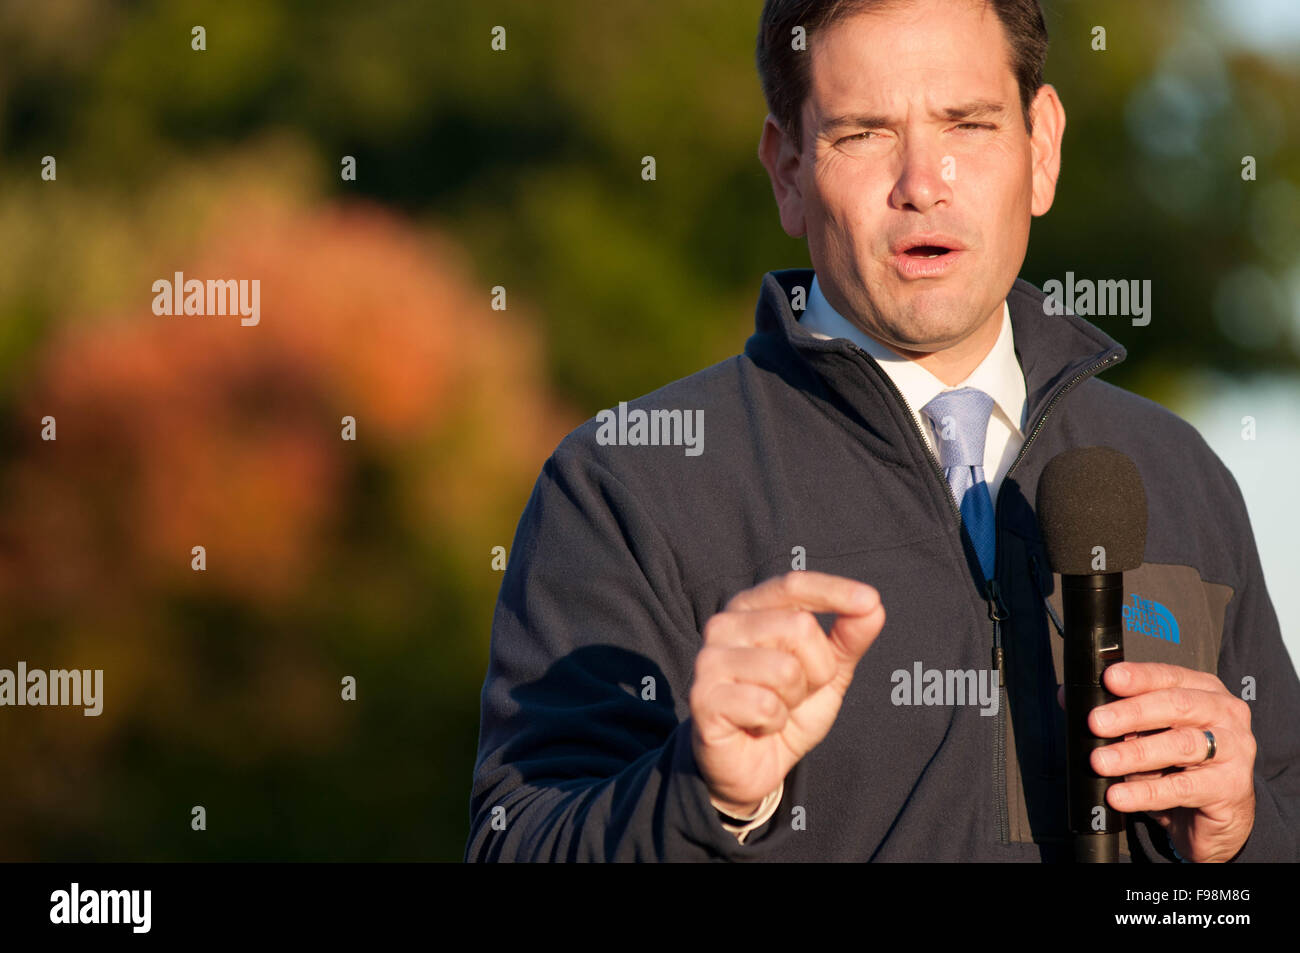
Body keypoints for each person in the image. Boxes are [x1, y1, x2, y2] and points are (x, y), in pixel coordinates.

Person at [464, 0, 1300, 861]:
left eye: (969, 124)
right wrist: (703, 795)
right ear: (787, 169)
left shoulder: (1179, 474)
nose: (923, 181)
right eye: (862, 134)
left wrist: (1239, 843)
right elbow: (518, 840)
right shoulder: (629, 484)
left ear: (1041, 147)